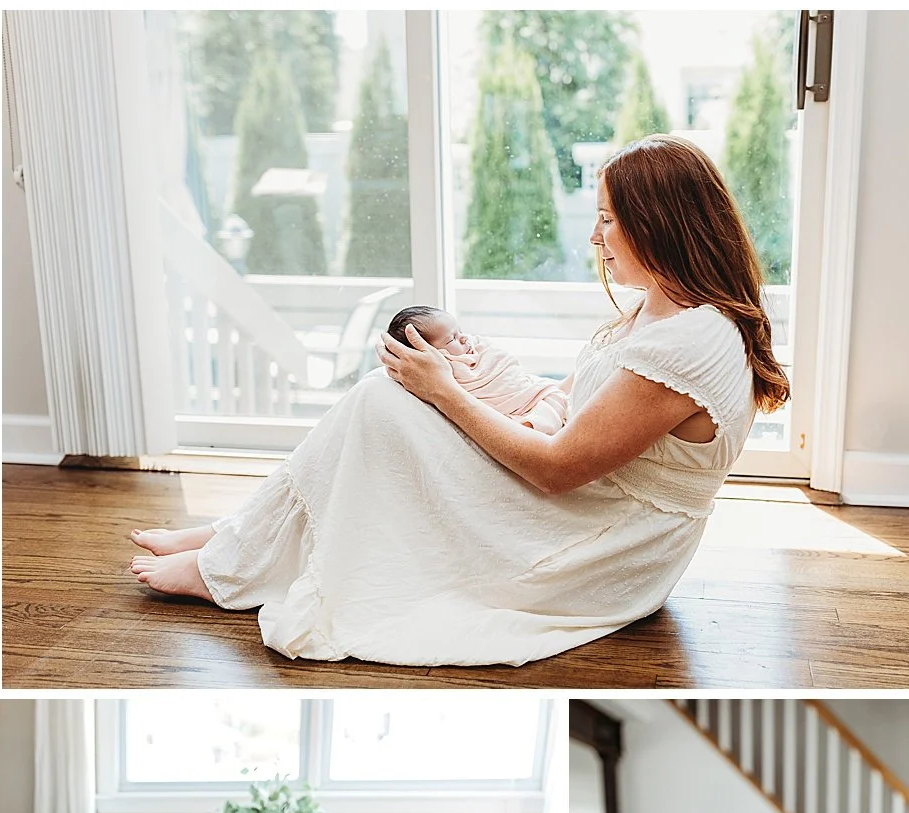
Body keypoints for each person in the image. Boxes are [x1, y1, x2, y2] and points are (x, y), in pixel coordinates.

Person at [128, 135, 789, 667]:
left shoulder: (692, 342)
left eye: (608, 220)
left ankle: (227, 562)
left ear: (659, 224)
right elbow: (570, 397)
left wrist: (444, 392)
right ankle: (233, 540)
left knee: (381, 405)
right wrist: (485, 389)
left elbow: (559, 469)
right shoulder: (663, 308)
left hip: (599, 541)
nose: (595, 238)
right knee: (383, 400)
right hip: (592, 508)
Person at [386, 305, 568, 434]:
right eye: (452, 340)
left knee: (551, 397)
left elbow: (497, 360)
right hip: (512, 409)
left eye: (460, 331)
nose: (464, 338)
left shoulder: (473, 346)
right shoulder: (450, 369)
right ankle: (530, 422)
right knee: (547, 413)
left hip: (523, 390)